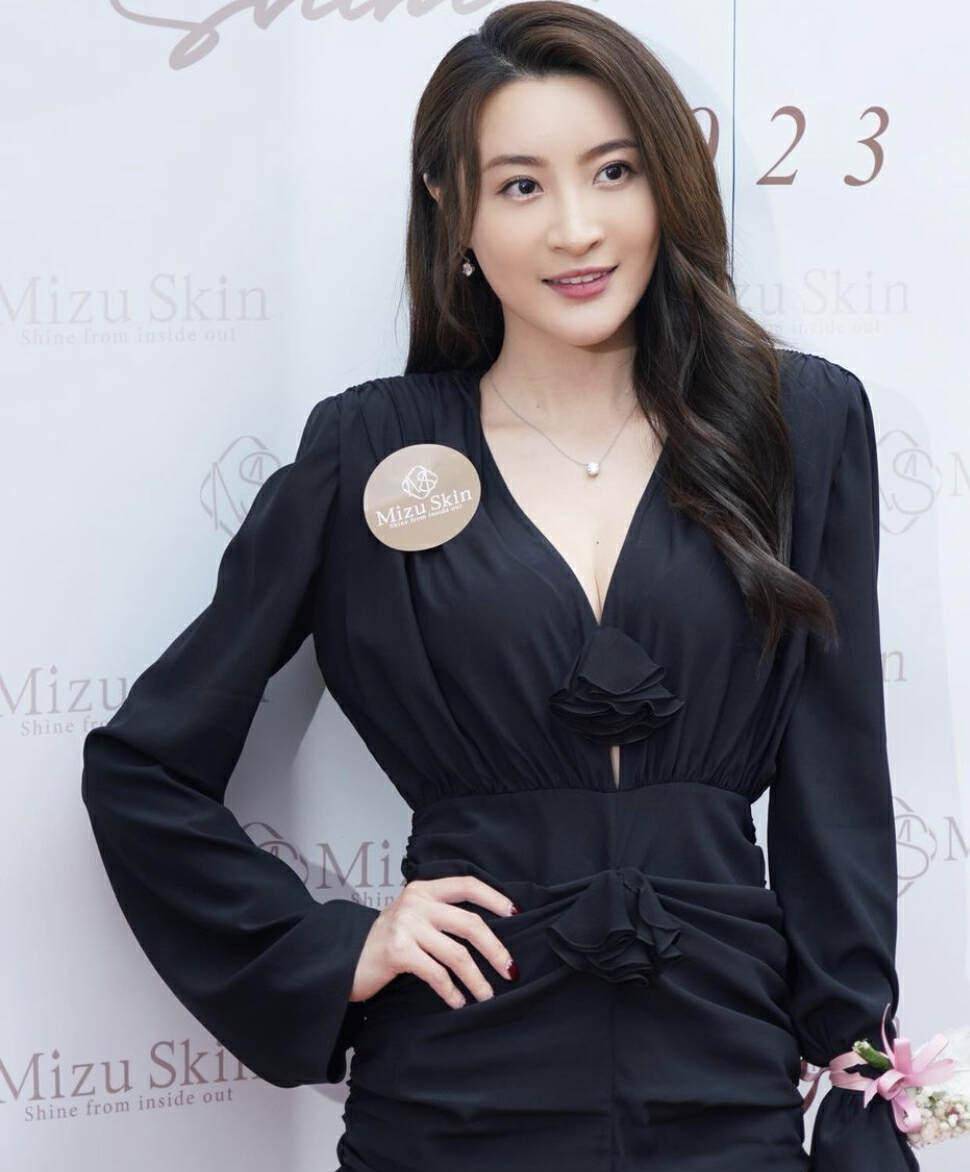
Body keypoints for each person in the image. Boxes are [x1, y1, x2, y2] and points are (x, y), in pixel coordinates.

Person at [80, 3, 917, 1169]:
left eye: (613, 171)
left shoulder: (799, 422)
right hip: (450, 1098)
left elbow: (837, 791)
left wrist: (862, 1079)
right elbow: (144, 766)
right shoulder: (367, 450)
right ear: (453, 208)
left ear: (667, 181)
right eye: (521, 185)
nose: (576, 227)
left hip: (725, 1090)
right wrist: (333, 946)